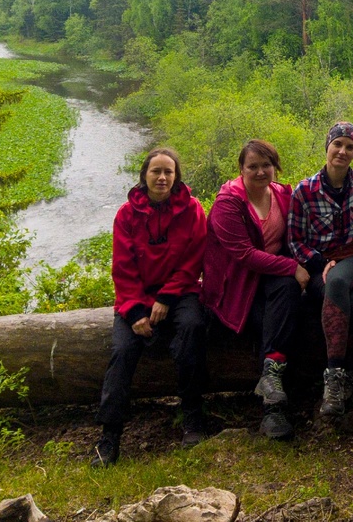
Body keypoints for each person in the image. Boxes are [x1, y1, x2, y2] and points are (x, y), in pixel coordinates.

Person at [92, 147, 208, 467]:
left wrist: (167, 298)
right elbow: (123, 268)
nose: (162, 177)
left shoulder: (193, 210)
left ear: (176, 177)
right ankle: (110, 436)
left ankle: (192, 419)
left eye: (168, 172)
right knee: (122, 350)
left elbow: (193, 260)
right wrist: (134, 312)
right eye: (155, 171)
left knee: (192, 330)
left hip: (181, 292)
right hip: (136, 296)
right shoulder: (126, 215)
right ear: (144, 175)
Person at [202, 139, 310, 441]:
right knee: (271, 320)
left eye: (267, 165)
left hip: (271, 278)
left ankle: (271, 380)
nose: (261, 172)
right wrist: (292, 267)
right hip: (237, 285)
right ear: (241, 169)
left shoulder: (282, 195)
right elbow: (244, 256)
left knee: (290, 298)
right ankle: (271, 411)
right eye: (253, 166)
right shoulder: (228, 204)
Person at [288, 121, 353, 419]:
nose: (342, 151)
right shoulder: (304, 191)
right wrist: (319, 263)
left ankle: (333, 377)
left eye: (349, 147)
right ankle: (347, 374)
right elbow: (295, 240)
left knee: (339, 280)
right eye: (337, 144)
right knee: (345, 296)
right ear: (327, 146)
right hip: (318, 264)